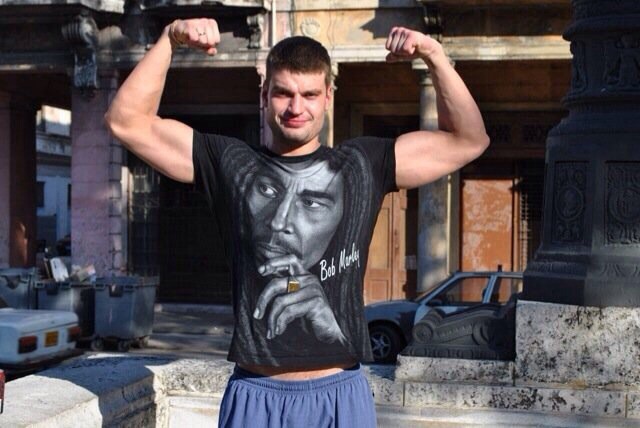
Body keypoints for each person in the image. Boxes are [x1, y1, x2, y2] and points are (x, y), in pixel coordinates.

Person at [104, 17, 489, 428]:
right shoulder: (232, 164)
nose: (295, 108)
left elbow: (469, 139)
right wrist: (169, 39)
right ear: (264, 94)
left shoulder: (361, 166)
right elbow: (126, 122)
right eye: (283, 93)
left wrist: (433, 54)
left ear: (328, 96)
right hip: (256, 396)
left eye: (309, 94)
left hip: (339, 394)